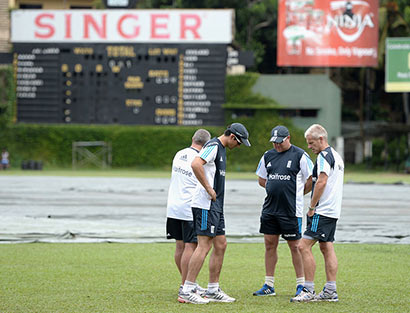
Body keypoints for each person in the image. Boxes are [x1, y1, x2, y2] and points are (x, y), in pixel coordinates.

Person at [178, 123, 251, 304]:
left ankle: (212, 289)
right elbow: (196, 164)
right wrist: (209, 188)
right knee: (203, 246)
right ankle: (187, 289)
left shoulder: (222, 149)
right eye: (239, 143)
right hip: (205, 205)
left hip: (216, 206)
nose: (239, 146)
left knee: (221, 244)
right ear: (233, 137)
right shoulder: (213, 146)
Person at [253, 125, 313, 298]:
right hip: (270, 209)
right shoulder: (268, 155)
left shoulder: (300, 155)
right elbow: (262, 179)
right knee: (270, 245)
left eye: (280, 142)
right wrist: (274, 188)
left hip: (291, 211)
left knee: (296, 247)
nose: (277, 145)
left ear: (288, 138)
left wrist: (298, 193)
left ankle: (301, 285)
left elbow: (311, 179)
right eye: (274, 142)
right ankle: (269, 285)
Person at [291, 124, 344, 303]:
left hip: (322, 210)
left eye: (311, 142)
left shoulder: (323, 157)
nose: (309, 146)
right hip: (333, 211)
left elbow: (321, 182)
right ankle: (330, 290)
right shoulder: (336, 156)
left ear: (321, 139)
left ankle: (309, 289)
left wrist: (312, 207)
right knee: (326, 246)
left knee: (303, 246)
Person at [166, 129, 211, 302]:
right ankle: (186, 287)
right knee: (190, 246)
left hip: (173, 206)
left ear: (193, 139)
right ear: (206, 145)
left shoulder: (179, 154)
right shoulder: (200, 160)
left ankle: (186, 283)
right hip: (189, 207)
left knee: (179, 246)